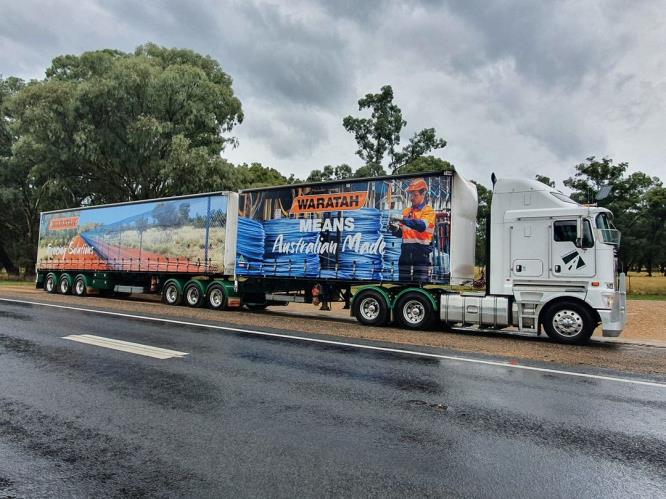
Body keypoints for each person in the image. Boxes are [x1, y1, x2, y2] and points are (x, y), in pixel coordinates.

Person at [389, 178, 435, 281]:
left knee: (419, 284)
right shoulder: (406, 211)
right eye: (411, 195)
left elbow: (421, 226)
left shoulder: (429, 211)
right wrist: (395, 229)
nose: (412, 198)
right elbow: (402, 233)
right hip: (405, 252)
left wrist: (402, 218)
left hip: (421, 253)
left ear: (423, 194)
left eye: (415, 195)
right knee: (403, 284)